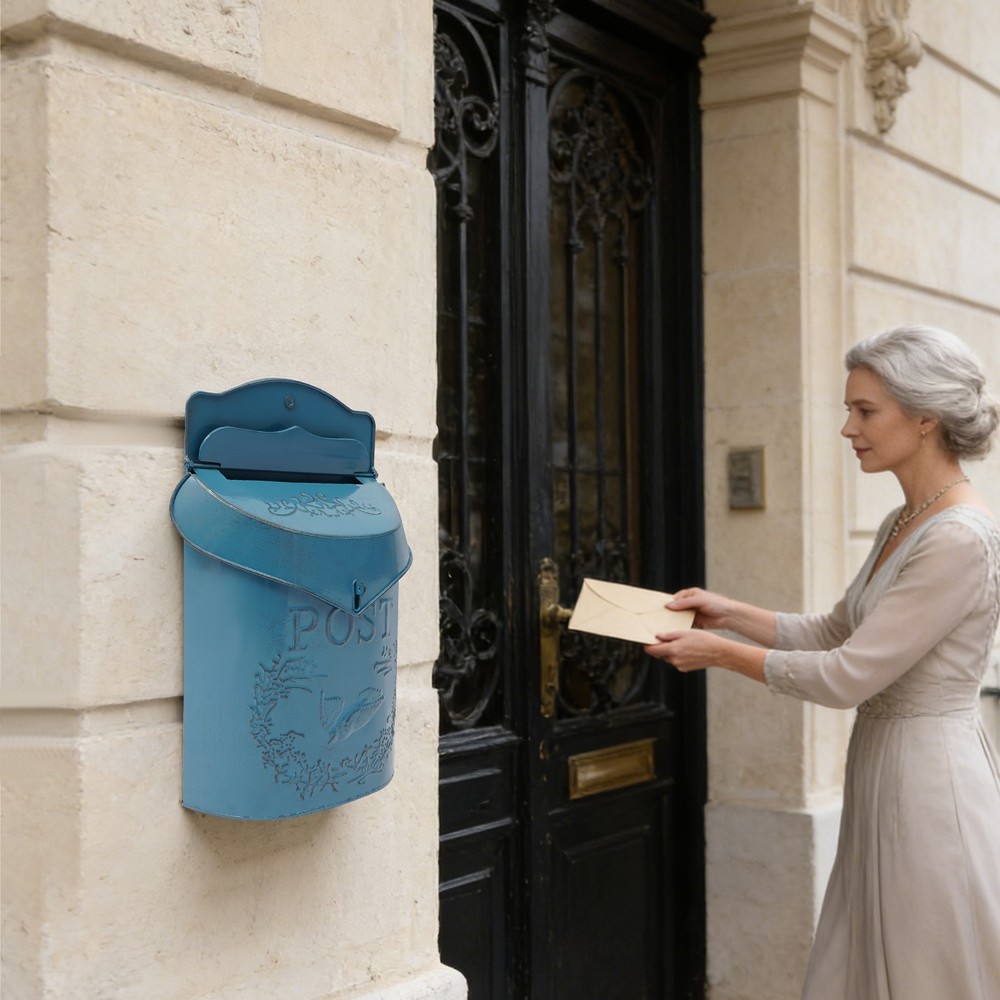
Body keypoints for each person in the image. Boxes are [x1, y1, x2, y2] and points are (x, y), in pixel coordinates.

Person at [646, 324, 1000, 999]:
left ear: (926, 417)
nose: (847, 428)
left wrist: (719, 654)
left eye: (864, 410)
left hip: (931, 787)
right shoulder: (910, 518)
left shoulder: (958, 536)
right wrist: (729, 612)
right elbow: (837, 629)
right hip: (885, 767)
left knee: (928, 968)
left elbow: (846, 675)